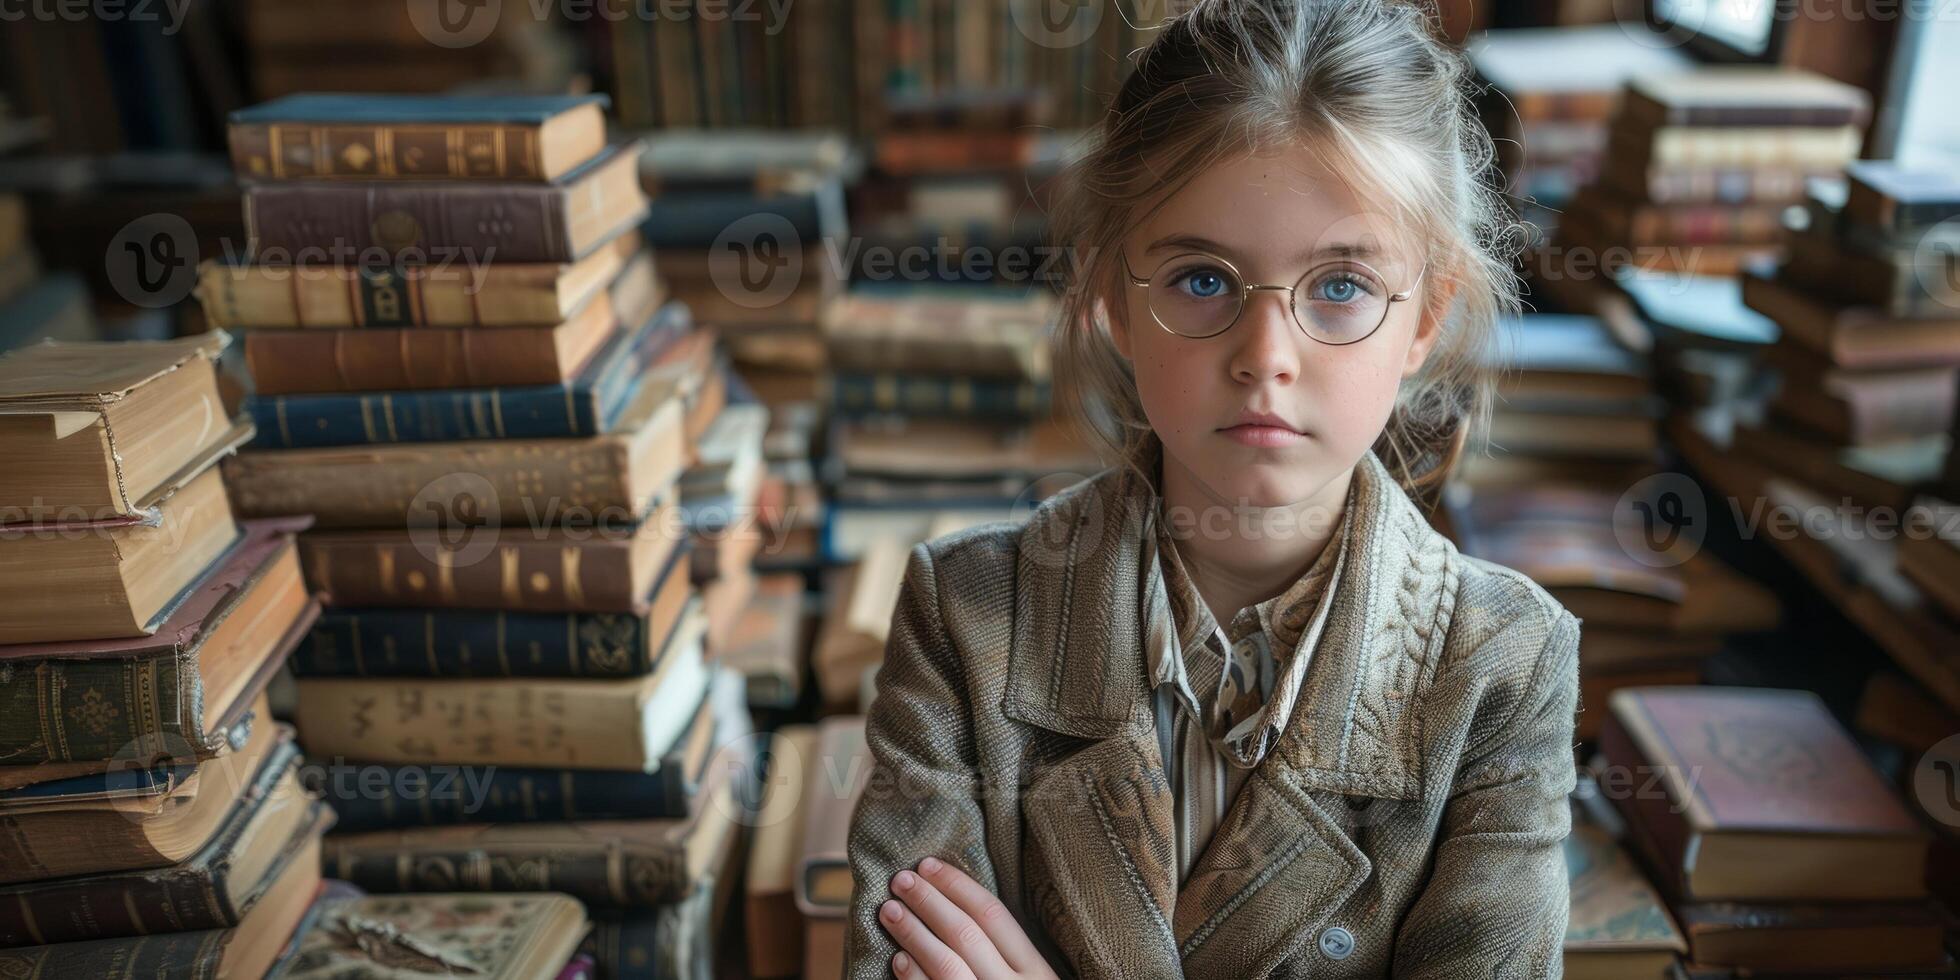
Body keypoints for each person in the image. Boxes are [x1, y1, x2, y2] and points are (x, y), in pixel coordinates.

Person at [843, 0, 1582, 976]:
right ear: (1112, 294)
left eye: (1340, 286)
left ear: (1423, 319)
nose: (1265, 357)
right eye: (1201, 279)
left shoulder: (1503, 667)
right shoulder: (966, 613)